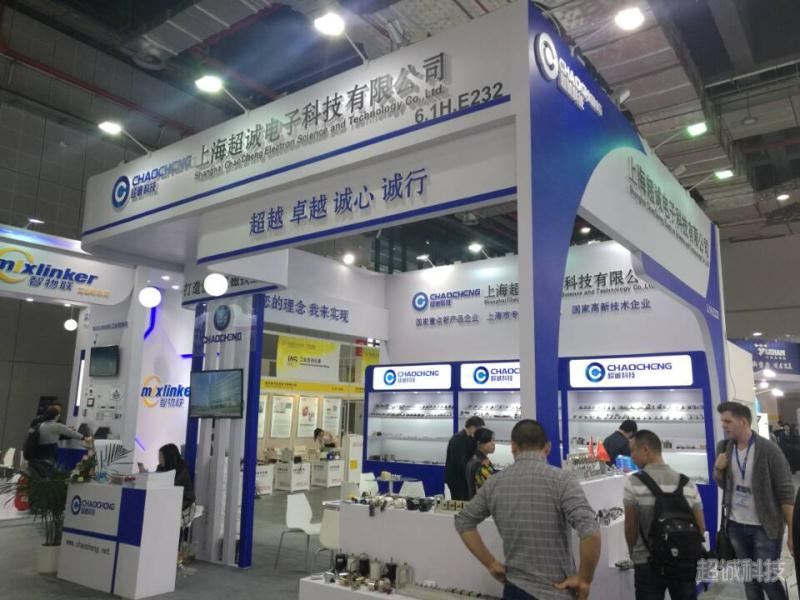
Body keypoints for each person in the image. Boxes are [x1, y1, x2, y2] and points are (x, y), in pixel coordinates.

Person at [455, 419, 600, 600]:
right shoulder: (563, 480)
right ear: (547, 447)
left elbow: (463, 521)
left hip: (514, 588)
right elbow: (591, 532)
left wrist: (491, 563)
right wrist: (584, 579)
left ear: (513, 447)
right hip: (555, 590)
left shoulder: (494, 483)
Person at [714, 401, 793, 600]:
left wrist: (792, 531)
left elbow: (786, 493)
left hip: (765, 527)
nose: (723, 425)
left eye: (727, 421)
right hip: (735, 524)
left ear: (743, 421)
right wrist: (718, 469)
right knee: (749, 579)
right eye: (722, 421)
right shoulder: (724, 448)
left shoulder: (769, 450)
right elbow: (724, 485)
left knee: (767, 578)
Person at [624, 430, 705, 600]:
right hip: (684, 560)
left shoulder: (633, 483)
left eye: (632, 450)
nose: (631, 456)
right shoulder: (687, 483)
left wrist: (633, 554)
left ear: (645, 450)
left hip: (647, 561)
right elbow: (700, 526)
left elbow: (631, 527)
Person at [445, 416, 485, 501]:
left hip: (465, 479)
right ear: (472, 427)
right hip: (457, 480)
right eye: (479, 429)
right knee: (461, 504)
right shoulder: (458, 439)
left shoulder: (470, 438)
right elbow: (459, 462)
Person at [156, 444, 196, 523]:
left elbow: (170, 484)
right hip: (169, 504)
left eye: (161, 457)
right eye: (159, 457)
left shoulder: (181, 469)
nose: (159, 460)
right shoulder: (160, 467)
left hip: (185, 506)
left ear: (168, 457)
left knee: (165, 521)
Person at [465, 428, 496, 500]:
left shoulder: (473, 459)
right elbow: (490, 489)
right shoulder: (481, 463)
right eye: (489, 441)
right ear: (479, 443)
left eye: (494, 440)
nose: (493, 444)